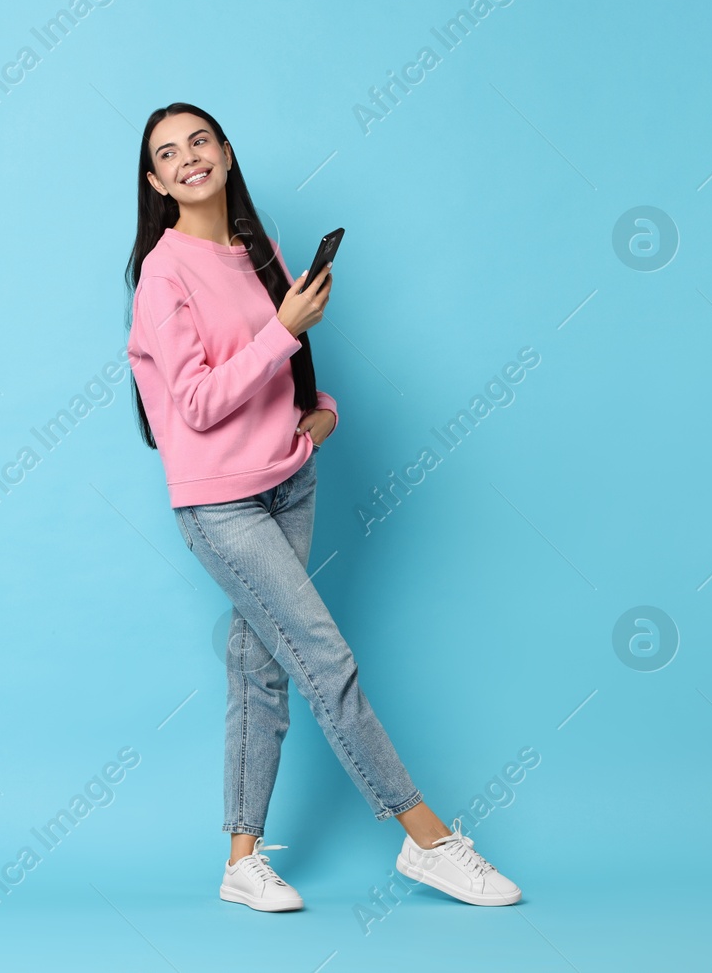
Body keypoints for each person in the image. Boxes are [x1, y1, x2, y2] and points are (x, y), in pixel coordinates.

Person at [123, 102, 521, 913]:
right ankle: (429, 840)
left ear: (227, 154)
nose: (189, 157)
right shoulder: (163, 274)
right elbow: (196, 403)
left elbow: (289, 364)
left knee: (259, 668)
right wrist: (282, 326)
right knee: (325, 660)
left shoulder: (254, 249)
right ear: (159, 184)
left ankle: (241, 860)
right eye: (170, 153)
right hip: (222, 503)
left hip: (289, 478)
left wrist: (325, 408)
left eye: (201, 140)